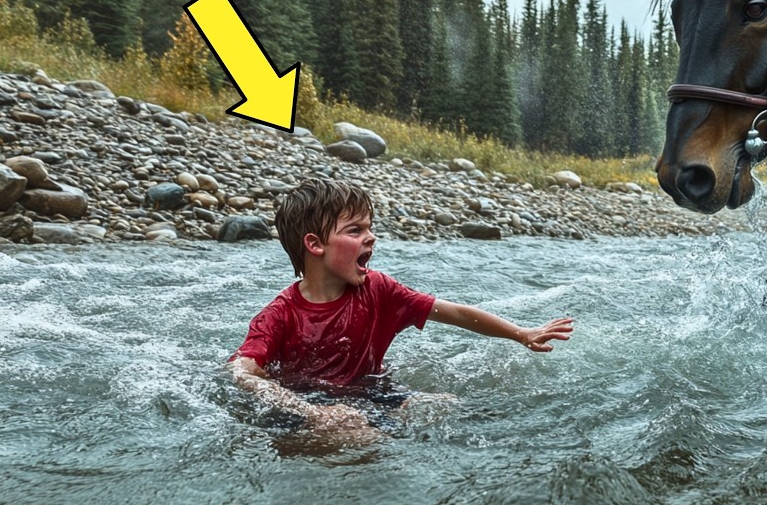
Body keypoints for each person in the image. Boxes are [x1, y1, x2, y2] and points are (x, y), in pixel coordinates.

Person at [228, 178, 573, 435]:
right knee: (357, 435)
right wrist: (309, 412)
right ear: (315, 244)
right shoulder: (280, 314)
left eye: (370, 227)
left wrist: (521, 333)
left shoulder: (379, 289)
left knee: (443, 406)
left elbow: (452, 312)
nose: (371, 236)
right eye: (355, 230)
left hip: (373, 391)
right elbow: (242, 373)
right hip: (306, 405)